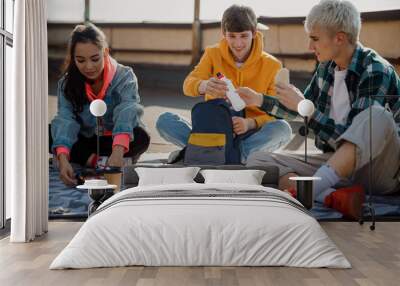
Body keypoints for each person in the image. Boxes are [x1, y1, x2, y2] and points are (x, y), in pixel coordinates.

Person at [240, 0, 400, 219]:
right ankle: (332, 196)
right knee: (258, 160)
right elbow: (301, 108)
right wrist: (258, 99)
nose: (309, 47)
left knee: (376, 116)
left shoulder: (375, 69)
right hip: (337, 165)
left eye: (314, 39)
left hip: (380, 170)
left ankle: (314, 192)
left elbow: (355, 140)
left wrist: (305, 108)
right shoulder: (326, 69)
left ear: (340, 38)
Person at [156, 4, 292, 163]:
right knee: (164, 120)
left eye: (244, 36)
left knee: (283, 129)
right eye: (232, 36)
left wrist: (251, 123)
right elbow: (188, 84)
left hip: (248, 133)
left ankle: (203, 153)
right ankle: (233, 157)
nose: (238, 43)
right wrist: (203, 85)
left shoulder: (272, 65)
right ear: (223, 34)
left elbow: (275, 112)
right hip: (213, 131)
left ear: (254, 33)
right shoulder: (212, 53)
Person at [50, 23, 150, 186]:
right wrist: (62, 159)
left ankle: (106, 158)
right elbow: (65, 119)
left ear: (105, 53)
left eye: (95, 59)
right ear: (73, 59)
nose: (89, 67)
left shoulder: (125, 76)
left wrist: (118, 150)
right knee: (50, 132)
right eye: (80, 60)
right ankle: (98, 160)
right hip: (87, 138)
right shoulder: (66, 84)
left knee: (141, 136)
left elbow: (128, 108)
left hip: (114, 138)